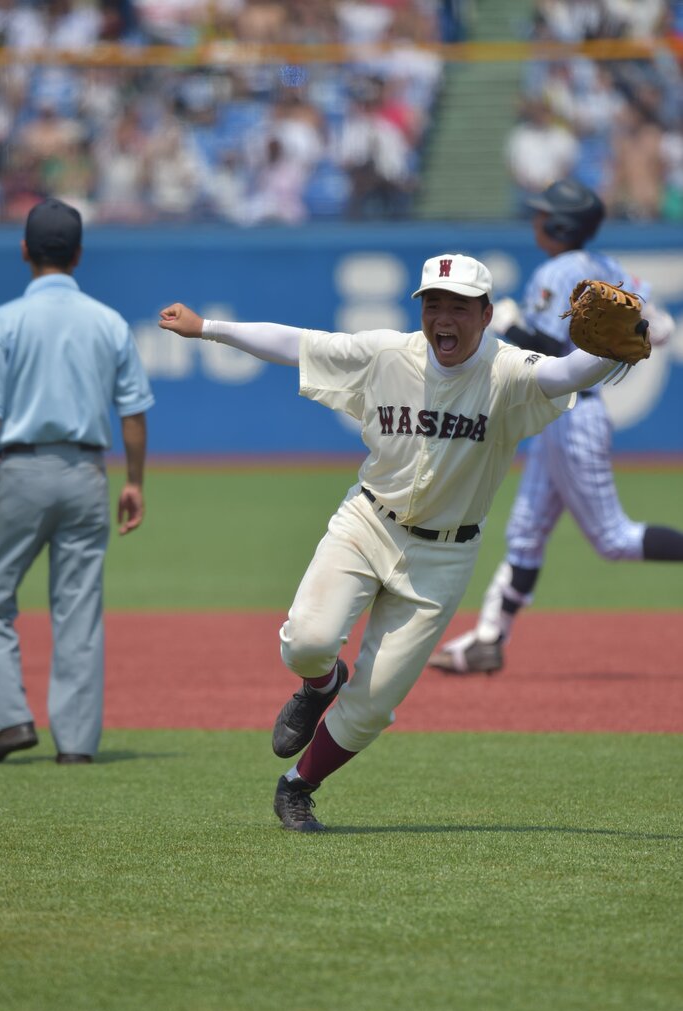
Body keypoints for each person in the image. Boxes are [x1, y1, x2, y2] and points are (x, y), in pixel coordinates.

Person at [158, 251, 636, 831]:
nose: (443, 318)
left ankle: (297, 788)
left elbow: (563, 375)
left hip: (443, 557)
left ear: (486, 314)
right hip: (368, 522)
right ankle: (321, 684)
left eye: (459, 306)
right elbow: (296, 344)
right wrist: (208, 328)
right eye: (433, 304)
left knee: (375, 704)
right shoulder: (388, 354)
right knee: (306, 641)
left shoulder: (507, 370)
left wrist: (604, 352)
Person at [428, 180, 682, 677]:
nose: (536, 220)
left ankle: (488, 638)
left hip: (573, 415)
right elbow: (660, 325)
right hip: (563, 415)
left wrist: (507, 324)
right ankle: (488, 640)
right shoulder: (604, 264)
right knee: (525, 534)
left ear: (562, 225)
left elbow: (545, 351)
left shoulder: (557, 270)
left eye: (543, 215)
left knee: (613, 538)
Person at [0, 196, 154, 764]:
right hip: (87, 473)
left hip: (20, 470)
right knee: (78, 611)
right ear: (78, 255)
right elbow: (133, 413)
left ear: (24, 250)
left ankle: (8, 719)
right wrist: (134, 481)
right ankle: (76, 745)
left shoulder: (4, 321)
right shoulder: (108, 322)